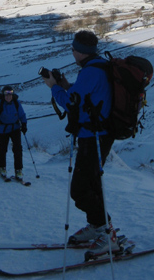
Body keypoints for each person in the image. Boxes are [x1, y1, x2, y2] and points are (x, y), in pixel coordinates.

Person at [42, 30, 118, 256]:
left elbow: (70, 104)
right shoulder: (97, 67)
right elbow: (84, 95)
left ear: (81, 52)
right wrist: (66, 84)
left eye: (73, 49)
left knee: (80, 189)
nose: (72, 52)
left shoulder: (90, 73)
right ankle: (98, 227)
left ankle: (107, 233)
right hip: (99, 134)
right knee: (92, 183)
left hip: (93, 136)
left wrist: (54, 87)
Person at [0, 85, 27, 181]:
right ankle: (2, 168)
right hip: (3, 129)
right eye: (6, 94)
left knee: (18, 149)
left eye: (10, 94)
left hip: (15, 128)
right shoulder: (0, 103)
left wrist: (24, 124)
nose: (8, 96)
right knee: (3, 149)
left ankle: (18, 170)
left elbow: (22, 115)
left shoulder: (16, 103)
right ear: (3, 95)